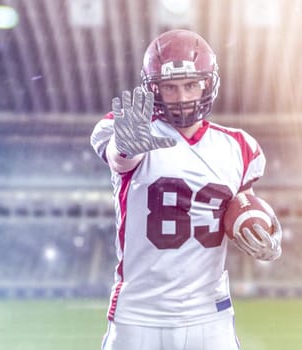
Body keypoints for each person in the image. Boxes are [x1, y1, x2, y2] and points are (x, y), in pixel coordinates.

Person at [90, 29, 283, 350]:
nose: (181, 97)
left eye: (191, 85)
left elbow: (243, 206)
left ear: (208, 83)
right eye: (170, 87)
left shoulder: (239, 146)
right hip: (139, 314)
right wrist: (126, 147)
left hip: (209, 314)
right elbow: (120, 159)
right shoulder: (129, 127)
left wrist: (267, 233)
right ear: (154, 89)